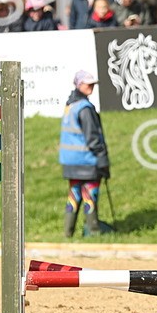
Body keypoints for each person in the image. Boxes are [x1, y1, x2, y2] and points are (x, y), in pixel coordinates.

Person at [59, 70, 112, 237]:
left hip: (70, 162)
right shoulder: (85, 108)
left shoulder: (70, 105)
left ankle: (68, 233)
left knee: (74, 195)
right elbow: (93, 138)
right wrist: (103, 161)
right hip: (87, 161)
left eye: (93, 84)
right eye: (88, 84)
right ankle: (93, 231)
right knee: (90, 195)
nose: (92, 87)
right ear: (79, 84)